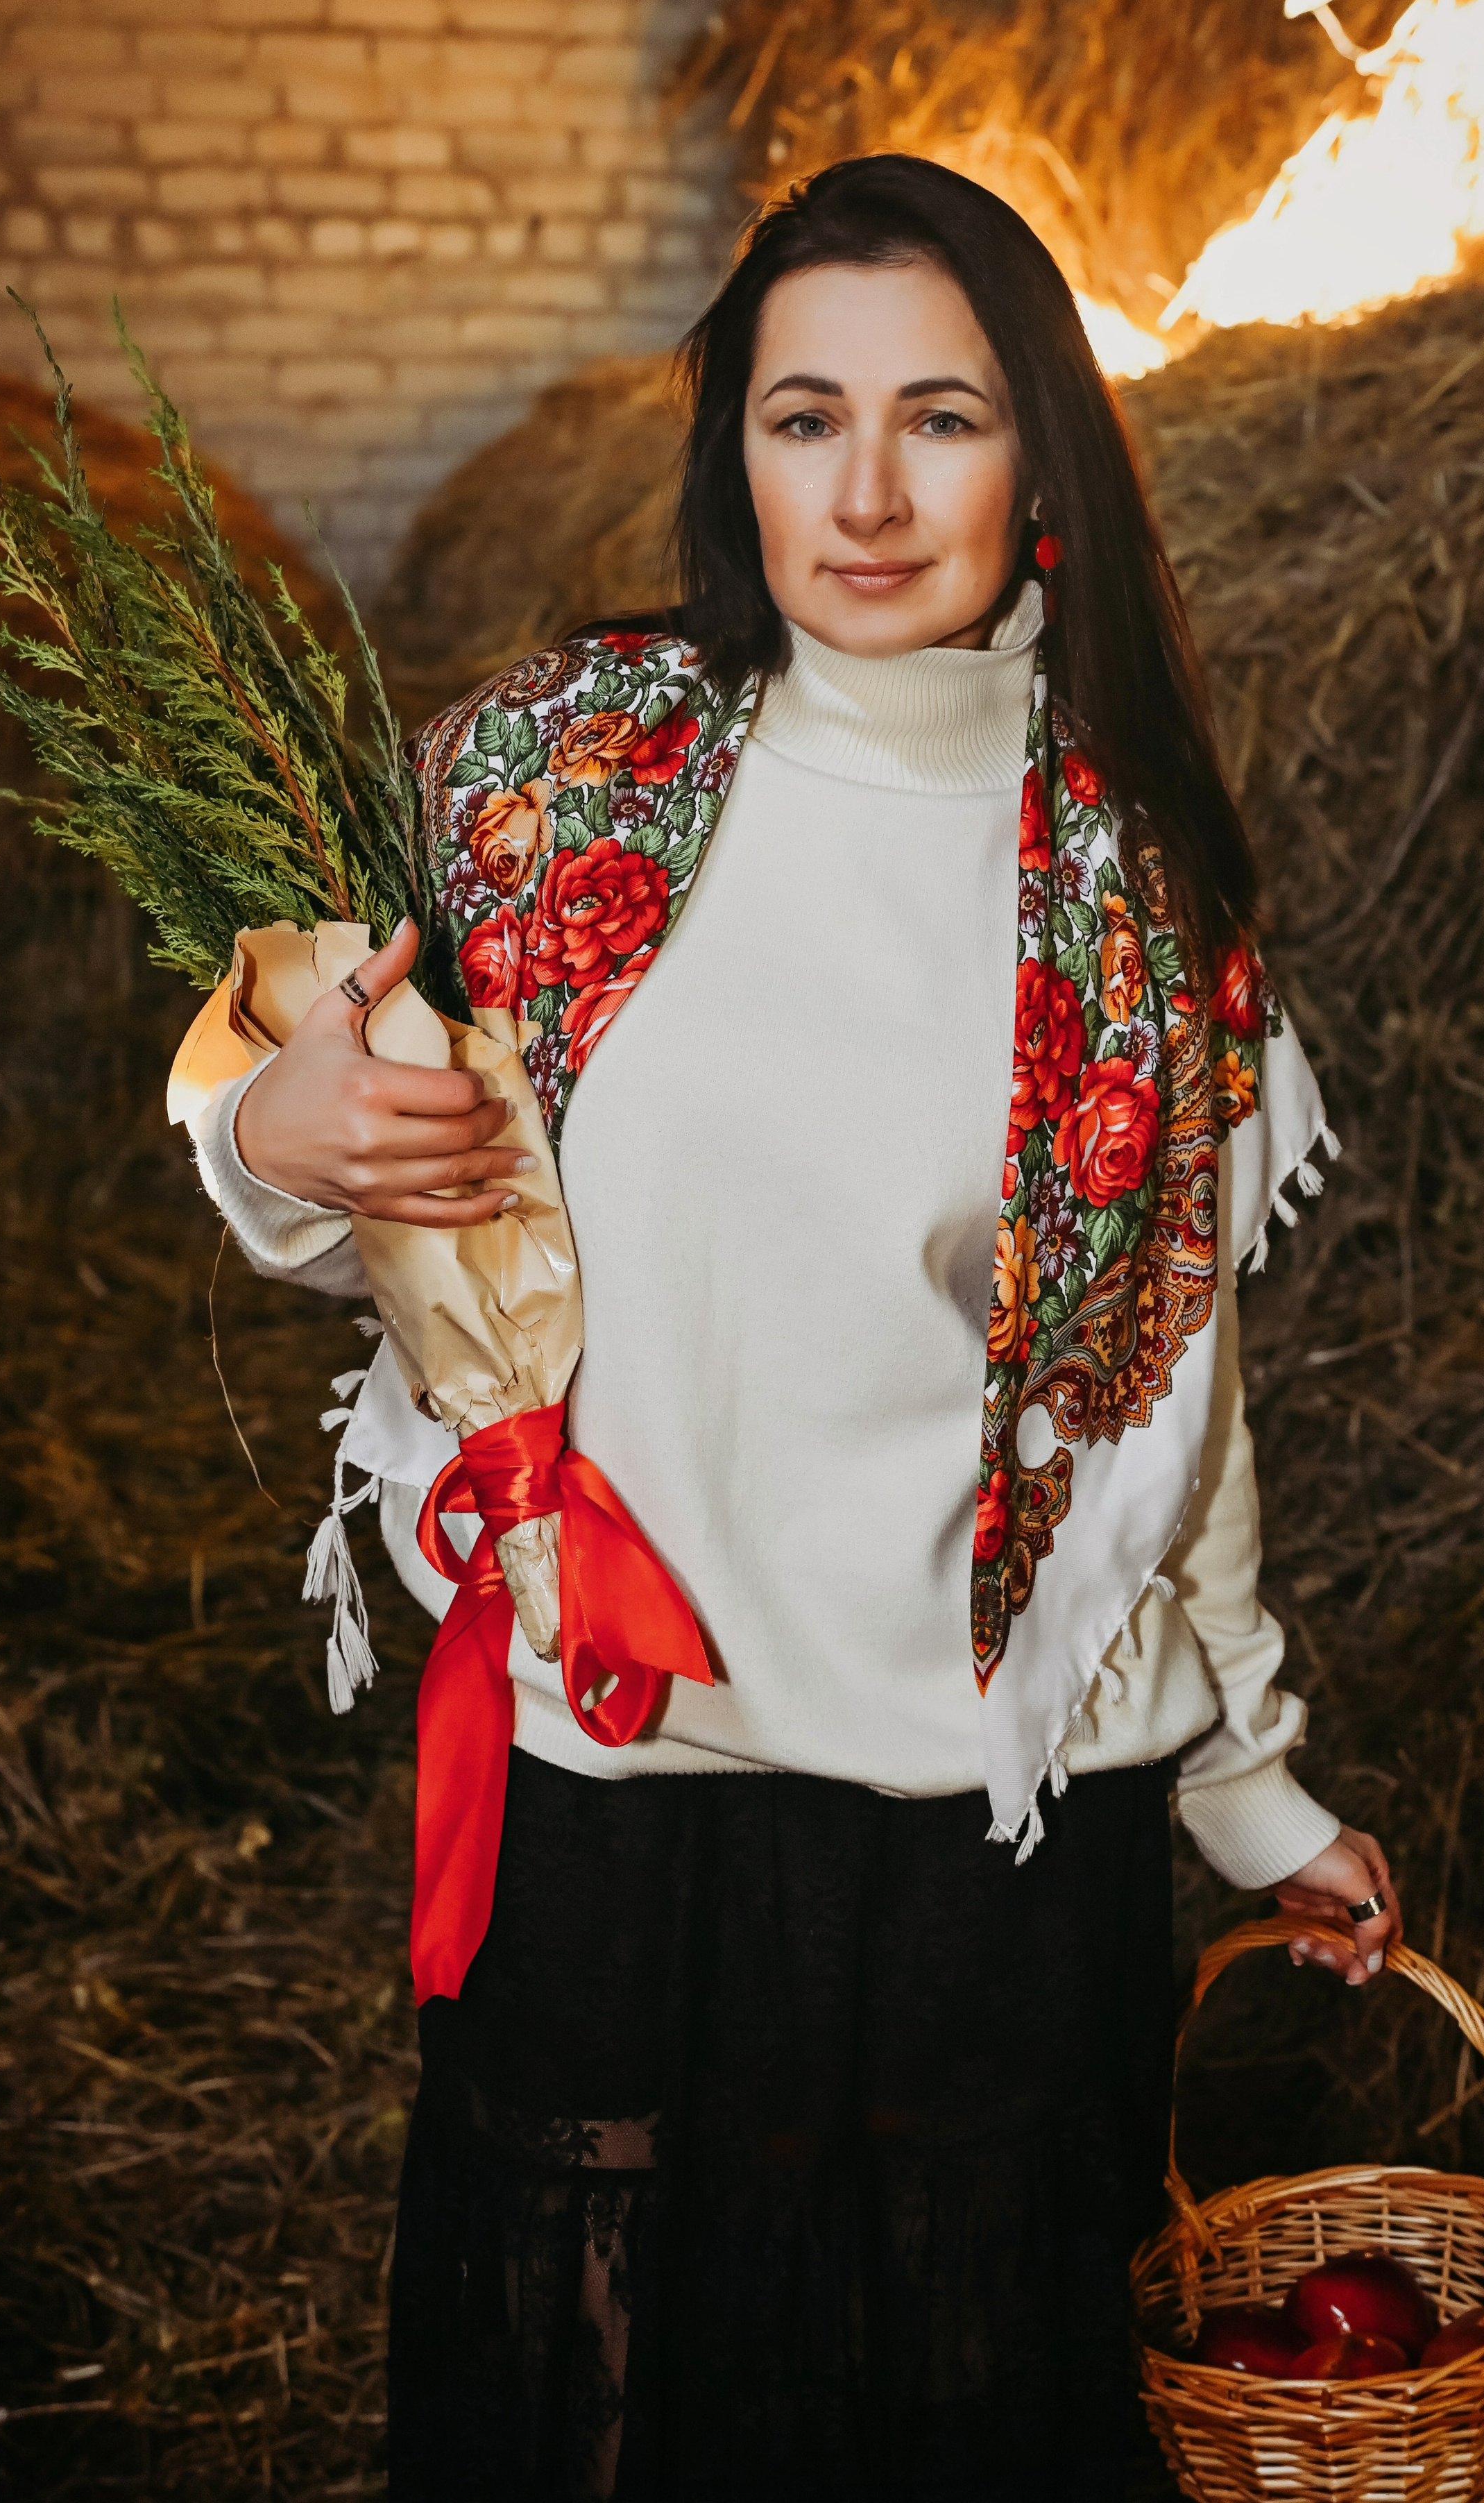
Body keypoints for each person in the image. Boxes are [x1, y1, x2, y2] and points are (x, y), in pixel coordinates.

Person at [203, 155, 1401, 2500]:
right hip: (614, 1774)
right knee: (605, 2419)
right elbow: (309, 1135)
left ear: (1042, 455)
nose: (862, 493)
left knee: (940, 2418)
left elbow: (1172, 1392)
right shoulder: (561, 778)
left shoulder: (1127, 882)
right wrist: (284, 1128)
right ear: (728, 451)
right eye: (801, 416)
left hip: (992, 1837)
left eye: (940, 420)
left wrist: (1255, 1780)